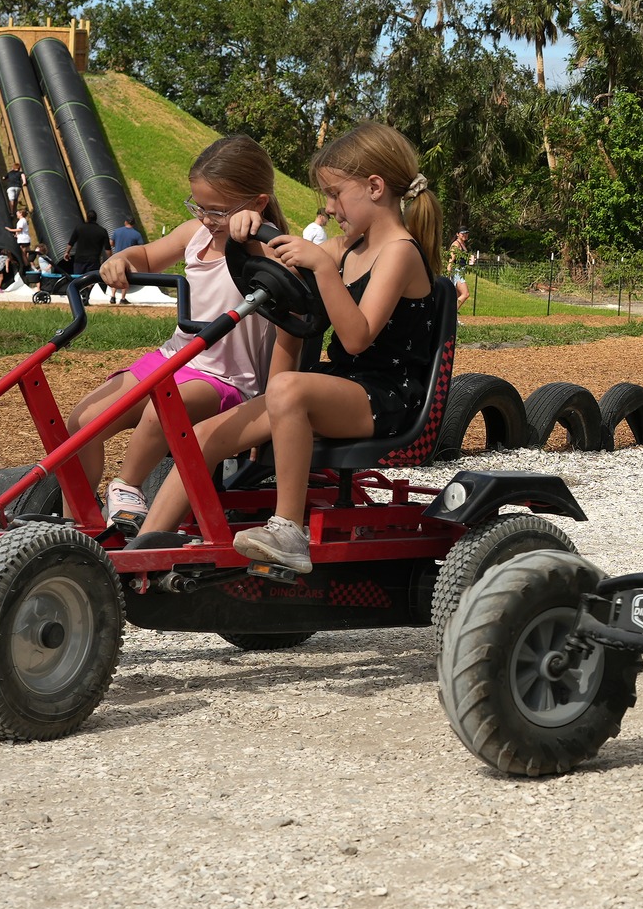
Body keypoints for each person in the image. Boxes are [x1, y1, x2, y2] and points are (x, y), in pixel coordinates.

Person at [137, 121, 443, 574]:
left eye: (335, 194)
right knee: (203, 437)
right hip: (336, 388)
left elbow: (357, 337)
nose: (329, 207)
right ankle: (140, 557)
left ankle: (288, 530)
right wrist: (248, 230)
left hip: (386, 396)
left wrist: (323, 268)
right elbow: (282, 276)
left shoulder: (399, 251)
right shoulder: (346, 247)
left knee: (286, 388)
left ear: (375, 187)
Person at [67, 137, 286, 531]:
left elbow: (295, 286)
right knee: (82, 422)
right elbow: (147, 256)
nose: (206, 219)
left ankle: (127, 487)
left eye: (217, 211)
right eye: (198, 206)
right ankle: (78, 524)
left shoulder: (269, 250)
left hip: (226, 378)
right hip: (175, 357)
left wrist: (253, 235)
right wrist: (122, 259)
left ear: (257, 203)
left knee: (161, 411)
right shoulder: (195, 233)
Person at [107, 216, 146, 304]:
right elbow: (140, 247)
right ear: (134, 224)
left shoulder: (117, 231)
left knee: (115, 277)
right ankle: (123, 298)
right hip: (128, 259)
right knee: (125, 278)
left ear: (125, 222)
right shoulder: (137, 234)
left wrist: (117, 245)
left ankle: (113, 296)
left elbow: (111, 243)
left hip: (117, 257)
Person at [62, 213, 110, 280]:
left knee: (78, 280)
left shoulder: (79, 228)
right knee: (92, 280)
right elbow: (107, 248)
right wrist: (110, 259)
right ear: (96, 219)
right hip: (93, 261)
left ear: (87, 218)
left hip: (79, 260)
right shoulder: (102, 231)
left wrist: (67, 252)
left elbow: (71, 242)